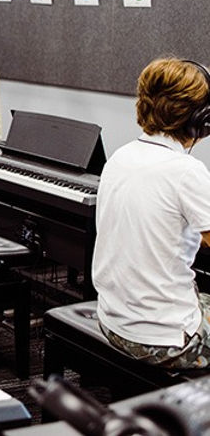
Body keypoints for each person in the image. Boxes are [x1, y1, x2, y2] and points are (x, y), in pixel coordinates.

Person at [93, 57, 210, 369]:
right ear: (202, 118)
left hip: (113, 321)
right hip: (163, 340)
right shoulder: (186, 171)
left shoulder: (121, 156)